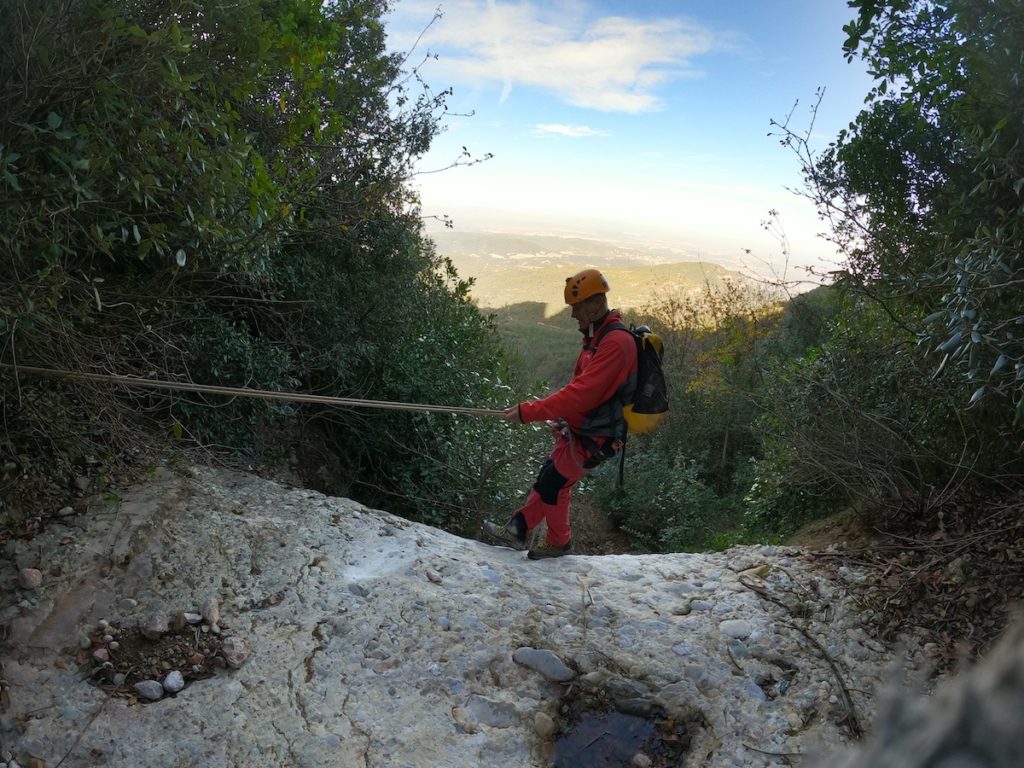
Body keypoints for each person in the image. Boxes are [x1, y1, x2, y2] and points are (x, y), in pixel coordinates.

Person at [483, 268, 638, 559]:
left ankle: (549, 540)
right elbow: (581, 389)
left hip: (599, 437)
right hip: (585, 432)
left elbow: (581, 394)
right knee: (551, 480)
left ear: (595, 304)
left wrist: (528, 412)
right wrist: (564, 419)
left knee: (552, 482)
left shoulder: (615, 343)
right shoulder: (597, 339)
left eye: (577, 307)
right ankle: (526, 531)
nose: (572, 315)